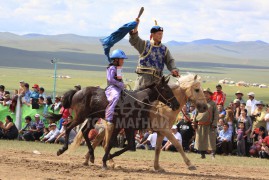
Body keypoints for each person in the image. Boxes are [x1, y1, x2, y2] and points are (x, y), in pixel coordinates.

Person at [129, 18, 179, 91]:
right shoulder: (145, 45)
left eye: (162, 34)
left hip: (157, 80)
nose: (161, 36)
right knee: (138, 99)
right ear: (152, 34)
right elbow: (135, 40)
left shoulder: (164, 49)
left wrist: (174, 69)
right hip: (144, 79)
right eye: (159, 34)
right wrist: (136, 26)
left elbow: (170, 61)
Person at [104, 49, 128, 147]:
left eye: (123, 59)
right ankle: (109, 117)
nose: (123, 61)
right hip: (112, 88)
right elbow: (110, 79)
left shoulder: (118, 68)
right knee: (116, 96)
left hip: (118, 87)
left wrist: (123, 85)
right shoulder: (112, 68)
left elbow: (119, 78)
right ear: (116, 60)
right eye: (121, 59)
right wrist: (121, 84)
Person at [194, 88, 218, 159]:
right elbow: (196, 113)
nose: (205, 95)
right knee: (200, 139)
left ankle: (212, 154)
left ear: (210, 95)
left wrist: (214, 124)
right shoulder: (200, 103)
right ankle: (202, 154)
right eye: (204, 93)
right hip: (200, 124)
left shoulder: (213, 104)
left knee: (211, 139)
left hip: (210, 125)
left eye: (207, 93)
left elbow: (216, 115)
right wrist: (194, 122)